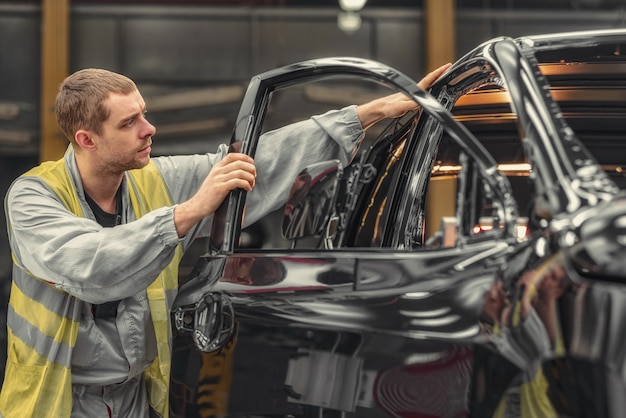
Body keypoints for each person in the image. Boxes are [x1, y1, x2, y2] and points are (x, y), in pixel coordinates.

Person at [0, 62, 451, 417]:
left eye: (144, 112)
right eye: (130, 122)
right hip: (57, 402)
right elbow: (91, 266)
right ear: (86, 139)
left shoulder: (153, 180)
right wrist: (191, 211)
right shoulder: (34, 197)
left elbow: (251, 162)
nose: (148, 128)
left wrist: (369, 113)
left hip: (138, 398)